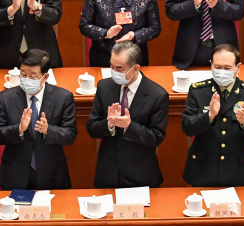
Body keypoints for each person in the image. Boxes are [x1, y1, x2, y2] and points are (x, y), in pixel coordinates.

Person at [87, 41, 168, 188]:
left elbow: (156, 137)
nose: (114, 72)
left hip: (141, 175)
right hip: (108, 173)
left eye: (119, 68)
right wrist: (109, 124)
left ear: (135, 68)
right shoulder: (104, 87)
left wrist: (129, 126)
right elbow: (92, 128)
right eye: (111, 66)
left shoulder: (157, 95)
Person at [182, 44, 244, 187]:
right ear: (211, 65)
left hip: (239, 172)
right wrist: (209, 116)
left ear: (238, 67)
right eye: (217, 67)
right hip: (203, 170)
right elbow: (187, 127)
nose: (222, 72)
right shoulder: (198, 90)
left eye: (227, 68)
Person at [0, 50, 76, 190]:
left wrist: (49, 130)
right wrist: (18, 129)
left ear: (45, 76)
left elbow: (70, 135)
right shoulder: (5, 98)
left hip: (51, 172)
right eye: (23, 75)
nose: (27, 79)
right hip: (15, 173)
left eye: (33, 77)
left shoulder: (63, 97)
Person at [166, 0, 244, 70]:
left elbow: (240, 11)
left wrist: (218, 5)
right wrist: (193, 4)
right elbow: (171, 11)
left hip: (223, 48)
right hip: (189, 51)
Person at [79, 0, 161, 67]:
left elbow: (155, 27)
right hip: (103, 56)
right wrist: (105, 33)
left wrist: (134, 36)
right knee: (103, 85)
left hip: (135, 56)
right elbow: (84, 25)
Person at [0, 0, 63, 68]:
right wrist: (11, 10)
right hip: (6, 53)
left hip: (41, 53)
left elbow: (55, 15)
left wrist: (37, 7)